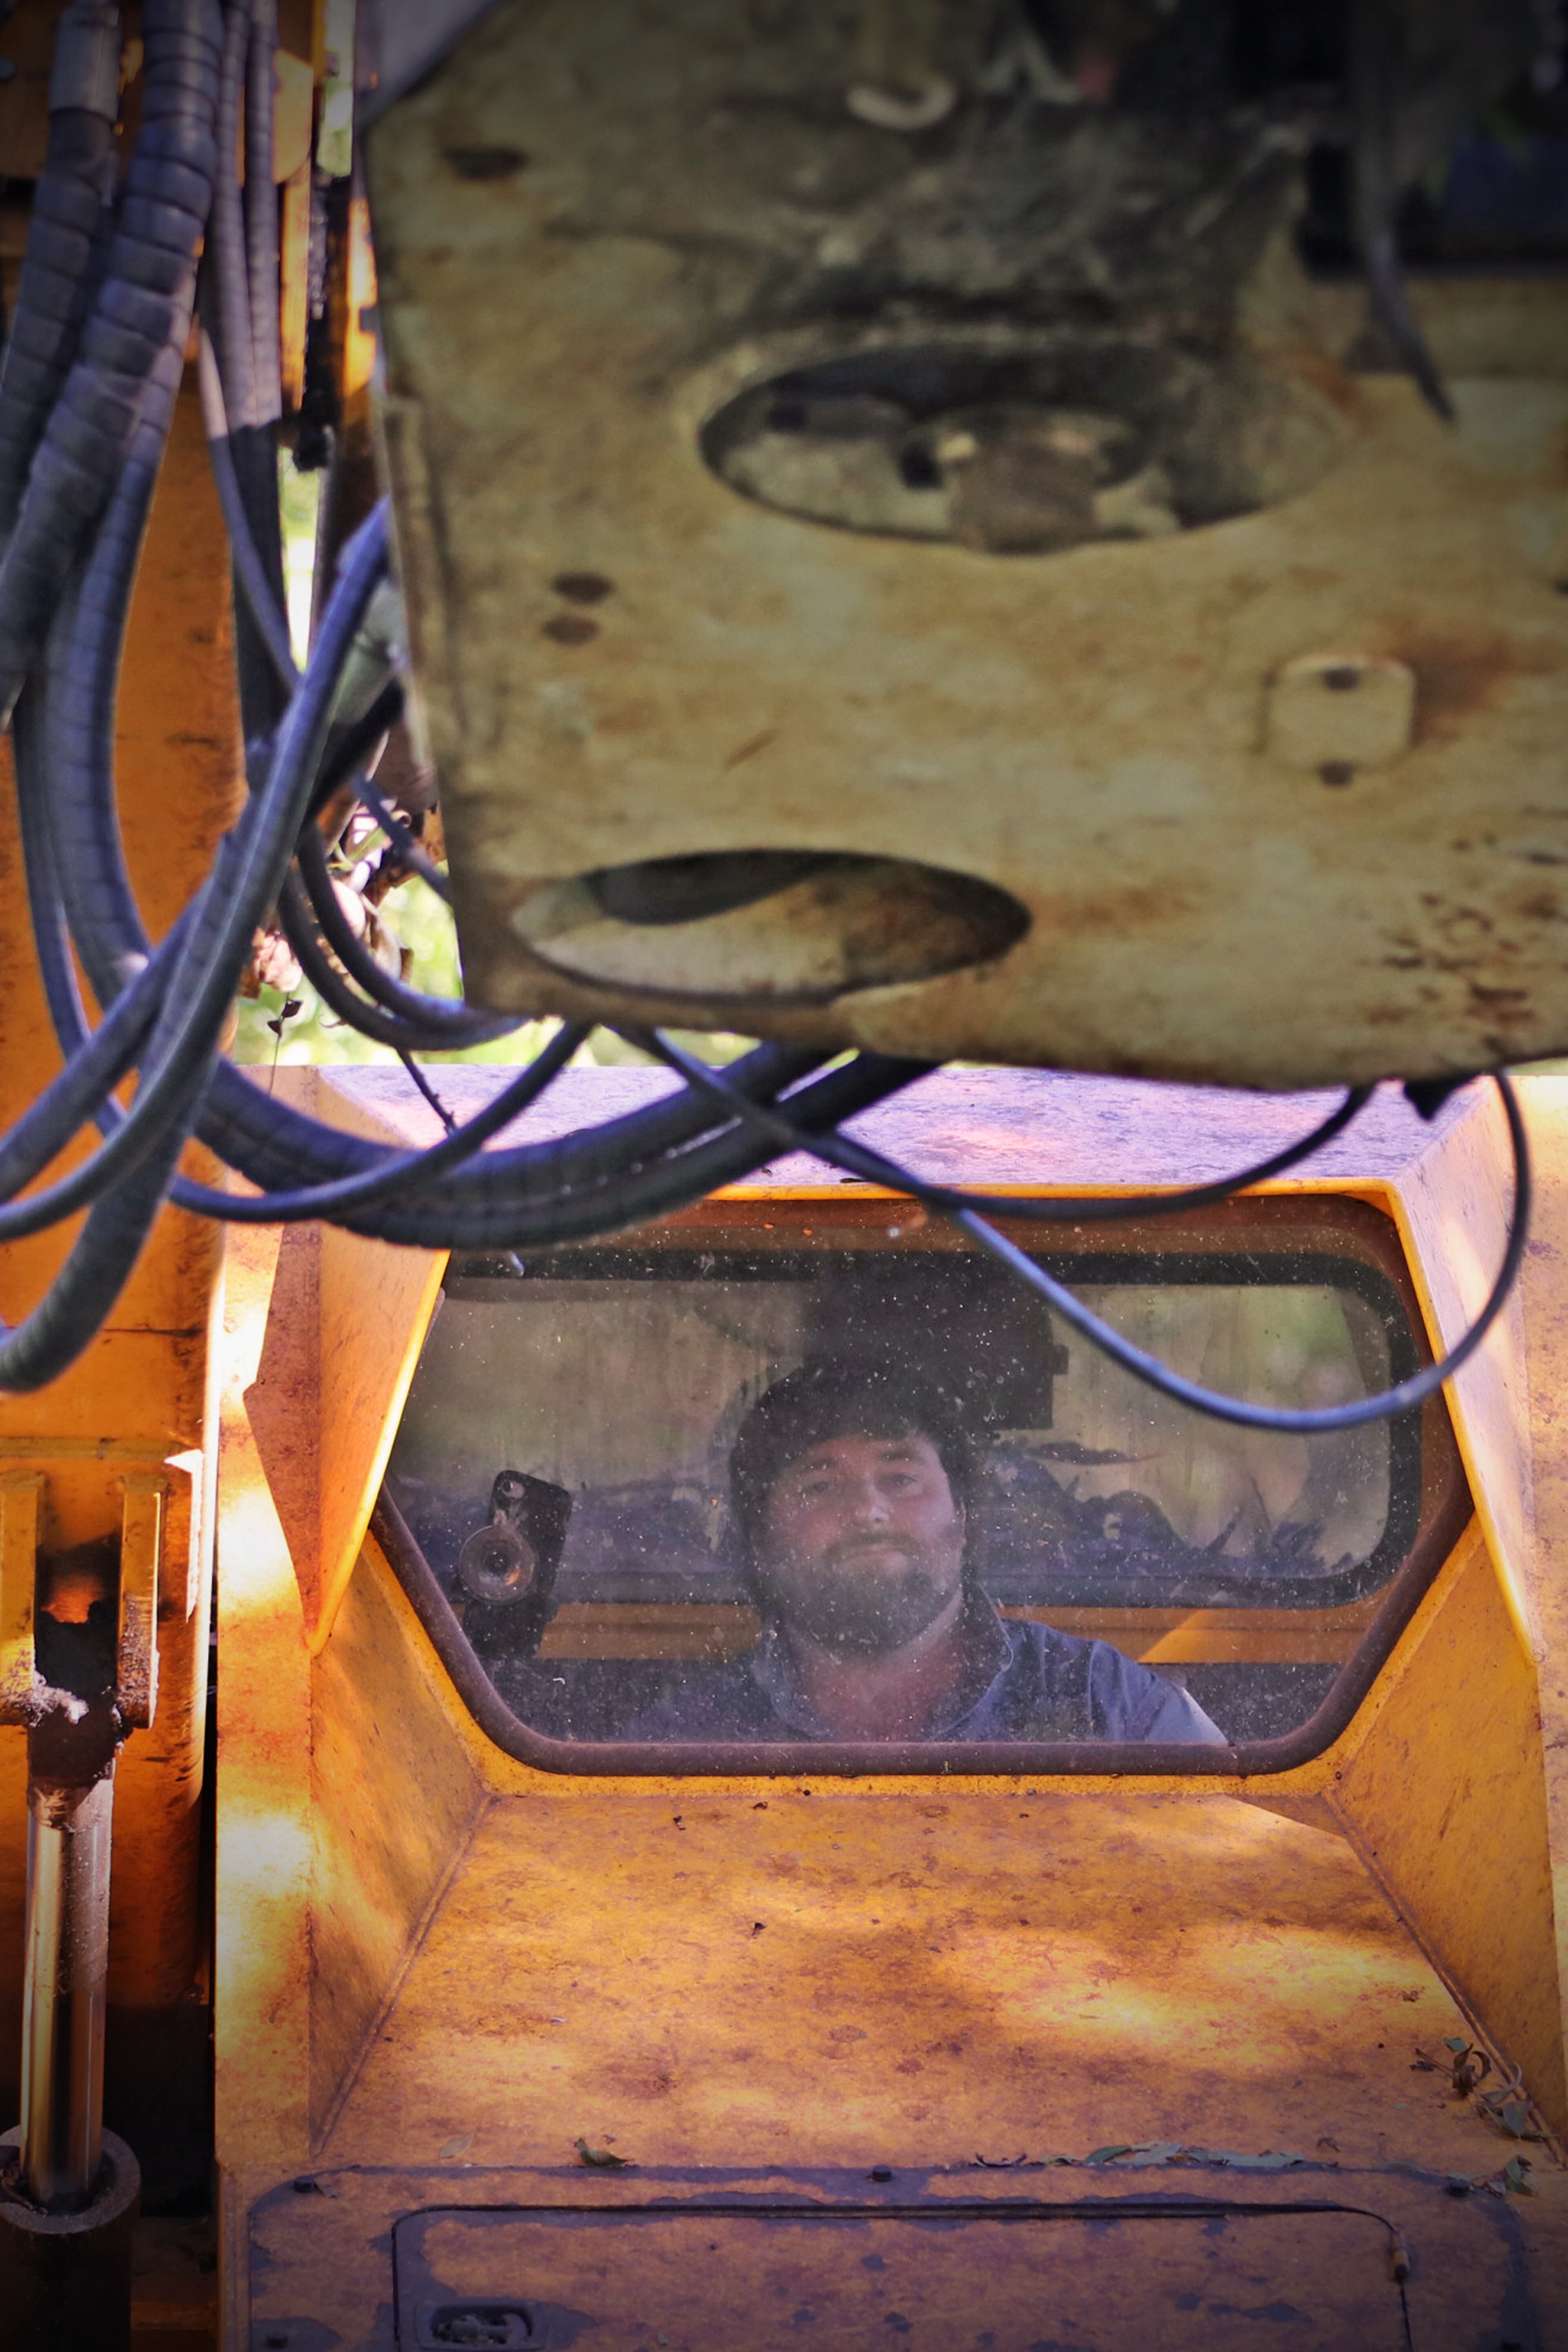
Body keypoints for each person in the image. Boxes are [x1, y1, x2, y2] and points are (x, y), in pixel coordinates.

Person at [641, 1356, 1226, 1745]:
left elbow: (1234, 1864)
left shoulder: (1107, 1705)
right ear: (762, 1540)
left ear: (963, 1518)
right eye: (819, 1486)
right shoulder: (689, 1738)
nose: (867, 1510)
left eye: (900, 1478)